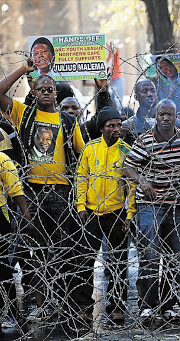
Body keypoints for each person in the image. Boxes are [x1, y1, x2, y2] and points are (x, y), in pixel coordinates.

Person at [0, 59, 86, 322]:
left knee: (64, 249)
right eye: (41, 89)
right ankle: (41, 304)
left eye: (50, 89)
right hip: (31, 191)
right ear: (33, 92)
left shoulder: (68, 120)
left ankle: (65, 303)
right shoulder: (24, 114)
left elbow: (82, 153)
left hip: (60, 191)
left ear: (56, 93)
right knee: (34, 250)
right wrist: (24, 69)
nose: (45, 92)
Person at [123, 99, 180, 321]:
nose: (165, 118)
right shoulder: (145, 141)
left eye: (169, 114)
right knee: (150, 256)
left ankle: (168, 304)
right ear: (155, 116)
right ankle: (147, 306)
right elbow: (127, 166)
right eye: (161, 114)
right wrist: (141, 179)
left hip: (173, 205)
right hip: (149, 205)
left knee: (176, 257)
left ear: (176, 116)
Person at [75, 106, 134, 324]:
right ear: (101, 128)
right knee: (85, 260)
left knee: (118, 263)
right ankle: (84, 305)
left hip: (116, 213)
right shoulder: (90, 149)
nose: (116, 129)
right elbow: (81, 177)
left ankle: (117, 306)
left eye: (119, 125)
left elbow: (132, 187)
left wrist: (130, 214)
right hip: (91, 213)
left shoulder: (126, 151)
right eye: (111, 126)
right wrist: (81, 206)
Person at [0, 122, 33, 333]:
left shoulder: (0, 158)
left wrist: (26, 215)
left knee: (0, 267)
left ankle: (10, 312)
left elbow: (14, 188)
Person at [122, 79, 158, 145]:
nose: (150, 94)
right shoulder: (129, 126)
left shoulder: (169, 122)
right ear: (136, 97)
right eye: (144, 91)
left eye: (153, 91)